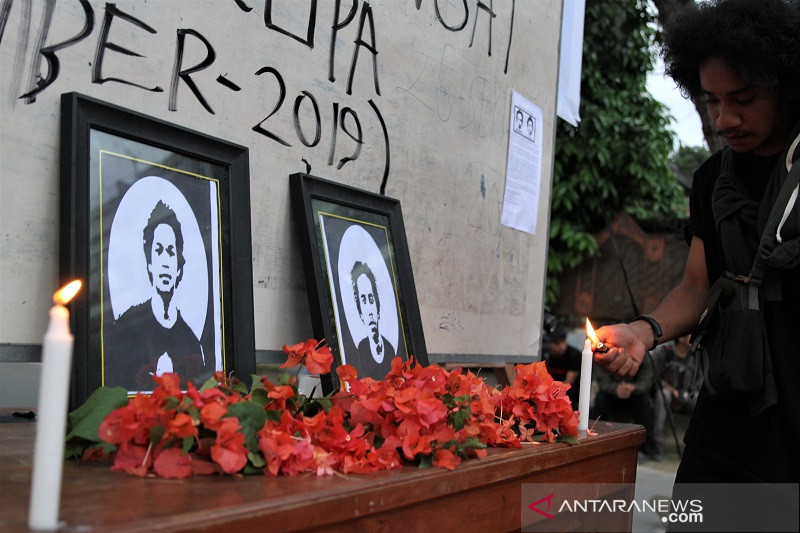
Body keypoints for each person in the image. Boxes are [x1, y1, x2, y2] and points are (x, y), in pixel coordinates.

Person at [593, 0, 799, 482]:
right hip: (724, 419)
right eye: (711, 101)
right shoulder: (711, 179)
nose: (725, 119)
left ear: (787, 87)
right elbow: (695, 285)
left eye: (744, 99)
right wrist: (642, 333)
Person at [106, 200, 206, 391]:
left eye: (171, 252)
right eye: (158, 251)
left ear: (179, 266)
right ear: (149, 263)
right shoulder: (127, 329)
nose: (166, 262)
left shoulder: (191, 339)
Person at [590, 351, 657, 458]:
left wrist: (634, 388)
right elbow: (602, 380)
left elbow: (647, 379)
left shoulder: (642, 352)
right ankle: (595, 439)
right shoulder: (605, 351)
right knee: (600, 400)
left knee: (645, 402)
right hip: (611, 393)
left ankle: (644, 447)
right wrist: (615, 388)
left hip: (635, 393)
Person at [651, 335, 701, 461]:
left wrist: (685, 395)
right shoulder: (664, 352)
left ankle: (694, 446)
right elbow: (655, 377)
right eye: (687, 335)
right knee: (662, 396)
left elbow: (699, 381)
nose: (691, 338)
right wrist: (669, 388)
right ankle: (657, 443)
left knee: (699, 399)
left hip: (687, 395)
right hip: (667, 392)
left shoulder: (696, 356)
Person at [350, 260, 395, 379]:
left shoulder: (390, 350)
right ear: (360, 313)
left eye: (371, 299)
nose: (369, 310)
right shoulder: (360, 351)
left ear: (377, 306)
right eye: (363, 301)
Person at [543, 324, 581, 405]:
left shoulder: (574, 355)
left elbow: (568, 383)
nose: (561, 346)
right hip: (548, 392)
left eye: (563, 341)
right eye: (557, 343)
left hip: (568, 396)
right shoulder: (544, 355)